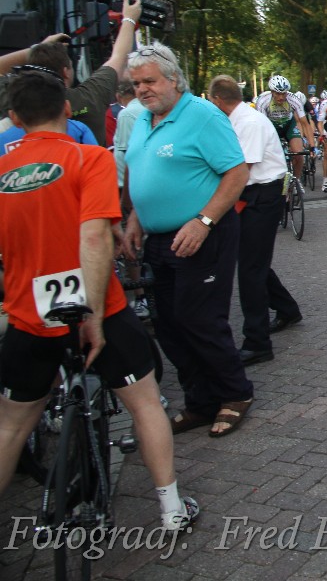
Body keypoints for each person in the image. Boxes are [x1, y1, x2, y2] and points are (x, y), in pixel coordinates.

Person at [0, 69, 200, 530]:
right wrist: (90, 311)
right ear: (67, 109)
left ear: (15, 118)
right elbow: (94, 237)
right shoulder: (88, 157)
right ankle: (171, 509)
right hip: (98, 310)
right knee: (145, 403)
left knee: (11, 426)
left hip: (30, 315)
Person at [122, 43, 254, 439]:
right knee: (167, 324)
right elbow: (139, 170)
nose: (142, 89)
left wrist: (203, 220)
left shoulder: (202, 115)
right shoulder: (143, 119)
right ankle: (200, 400)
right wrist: (135, 217)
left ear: (174, 79)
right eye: (136, 84)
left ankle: (235, 392)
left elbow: (237, 172)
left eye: (149, 81)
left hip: (202, 234)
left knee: (200, 319)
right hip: (159, 238)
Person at [208, 75, 303, 364]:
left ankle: (257, 342)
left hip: (262, 195)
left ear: (217, 100)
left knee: (250, 268)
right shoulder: (240, 119)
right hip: (255, 195)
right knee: (253, 261)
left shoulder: (248, 122)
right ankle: (287, 309)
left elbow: (241, 170)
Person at [0, 0, 142, 141]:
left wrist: (37, 48)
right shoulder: (90, 96)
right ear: (65, 72)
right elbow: (118, 56)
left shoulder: (15, 98)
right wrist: (129, 19)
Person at [257, 75, 316, 188]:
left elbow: (305, 123)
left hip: (289, 125)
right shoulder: (263, 101)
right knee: (274, 157)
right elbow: (262, 126)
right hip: (271, 127)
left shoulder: (293, 99)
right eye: (278, 93)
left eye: (284, 93)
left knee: (298, 153)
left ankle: (296, 181)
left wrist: (312, 146)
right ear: (272, 92)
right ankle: (278, 182)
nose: (281, 97)